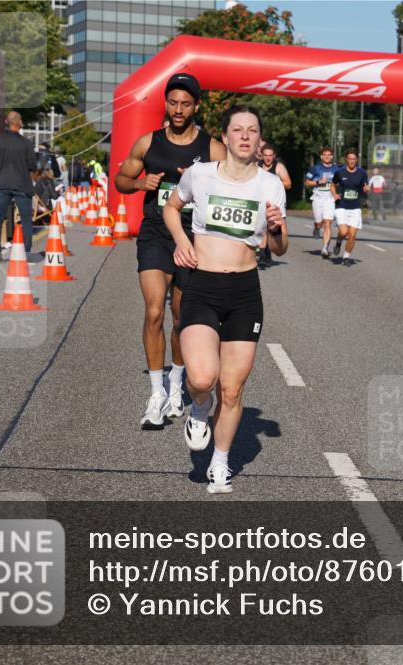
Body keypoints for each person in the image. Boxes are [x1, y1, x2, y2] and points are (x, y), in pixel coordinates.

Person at [164, 104, 287, 494]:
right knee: (202, 377)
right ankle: (199, 408)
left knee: (232, 390)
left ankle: (220, 462)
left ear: (260, 140)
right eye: (238, 129)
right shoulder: (201, 175)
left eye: (253, 130)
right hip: (202, 285)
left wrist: (278, 229)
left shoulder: (270, 185)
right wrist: (182, 241)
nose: (246, 136)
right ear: (226, 136)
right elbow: (171, 207)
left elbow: (279, 248)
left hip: (245, 292)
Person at [115, 72, 227, 429]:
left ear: (196, 106)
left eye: (186, 104)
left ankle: (176, 386)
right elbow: (119, 179)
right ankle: (156, 393)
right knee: (153, 312)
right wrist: (138, 183)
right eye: (173, 102)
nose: (178, 110)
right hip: (155, 235)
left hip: (193, 239)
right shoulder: (149, 143)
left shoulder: (211, 149)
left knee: (181, 317)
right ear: (166, 103)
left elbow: (231, 187)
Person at [0, 111, 38, 259]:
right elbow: (32, 166)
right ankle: (27, 253)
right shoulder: (26, 143)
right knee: (26, 220)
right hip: (22, 184)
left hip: (2, 183)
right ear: (20, 123)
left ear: (6, 122)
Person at [330, 148, 369, 266]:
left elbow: (365, 186)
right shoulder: (340, 172)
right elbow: (332, 184)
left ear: (356, 160)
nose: (352, 161)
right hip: (341, 206)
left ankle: (346, 257)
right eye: (350, 159)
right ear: (346, 159)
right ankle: (338, 242)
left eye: (354, 159)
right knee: (343, 231)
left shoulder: (362, 172)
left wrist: (366, 189)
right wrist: (334, 194)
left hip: (355, 207)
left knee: (352, 235)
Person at [256, 141, 291, 268]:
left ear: (274, 156)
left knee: (273, 227)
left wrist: (274, 180)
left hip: (276, 201)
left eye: (270, 155)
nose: (268, 158)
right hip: (261, 200)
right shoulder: (256, 166)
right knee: (263, 227)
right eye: (265, 155)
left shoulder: (278, 167)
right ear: (261, 155)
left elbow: (288, 184)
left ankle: (266, 254)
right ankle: (263, 255)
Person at [305, 147, 340, 253]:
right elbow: (307, 182)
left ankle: (325, 248)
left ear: (332, 156)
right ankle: (316, 228)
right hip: (318, 198)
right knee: (319, 223)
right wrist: (318, 182)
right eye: (325, 154)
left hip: (330, 199)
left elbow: (341, 182)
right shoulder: (315, 168)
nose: (327, 156)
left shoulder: (337, 169)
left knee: (327, 223)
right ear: (321, 156)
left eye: (329, 154)